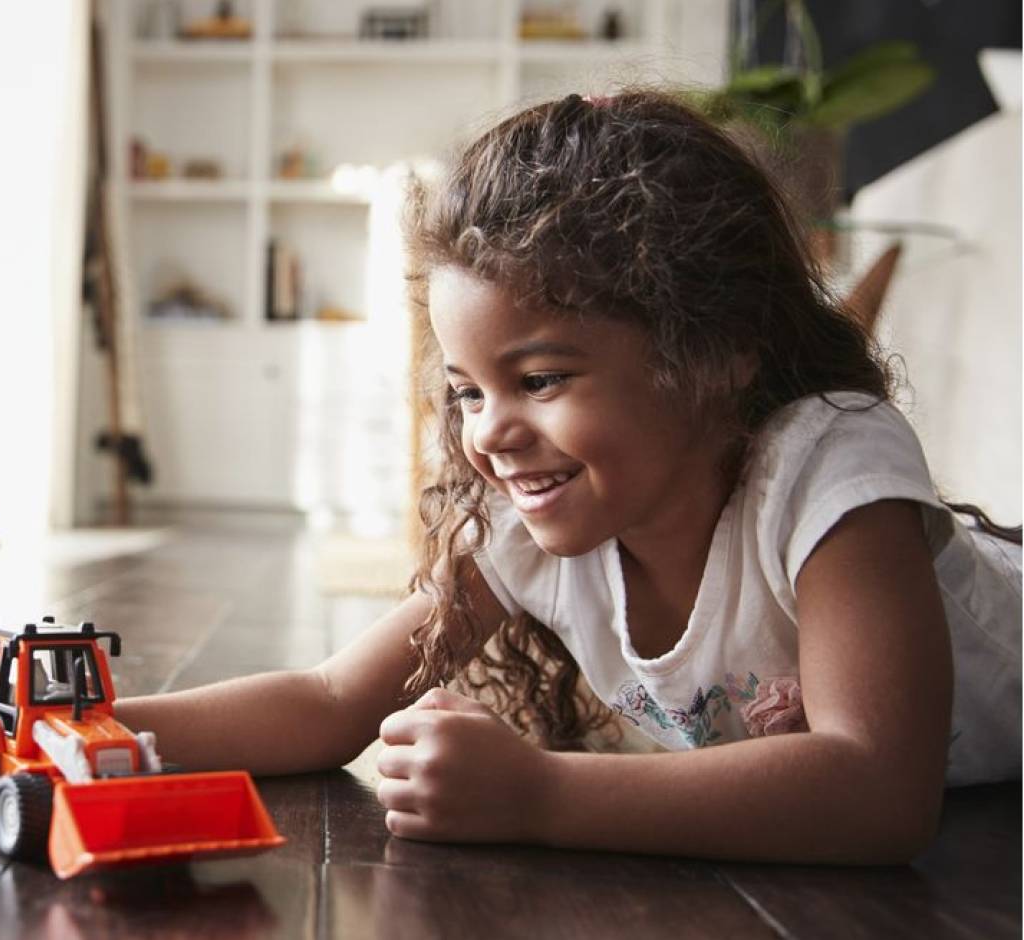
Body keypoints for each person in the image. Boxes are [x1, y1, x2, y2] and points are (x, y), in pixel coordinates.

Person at [113, 91, 1022, 865]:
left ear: (715, 352)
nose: (488, 433)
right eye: (468, 392)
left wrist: (540, 795)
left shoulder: (827, 466)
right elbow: (329, 701)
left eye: (541, 380)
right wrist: (79, 723)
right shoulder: (535, 525)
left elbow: (878, 789)